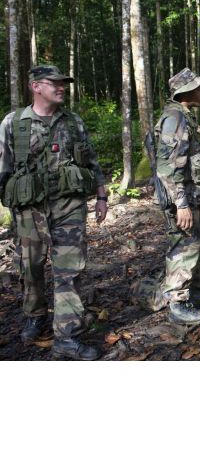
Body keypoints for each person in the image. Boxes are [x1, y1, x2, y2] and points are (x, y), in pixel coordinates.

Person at [0, 65, 107, 360]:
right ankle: (35, 314)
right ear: (36, 86)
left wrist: (101, 196)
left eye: (63, 83)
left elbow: (91, 161)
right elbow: (3, 167)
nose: (61, 87)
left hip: (69, 207)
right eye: (55, 83)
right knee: (30, 268)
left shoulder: (73, 122)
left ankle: (67, 337)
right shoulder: (14, 123)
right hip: (29, 210)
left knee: (69, 272)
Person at [131, 68, 200, 325]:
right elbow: (168, 168)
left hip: (189, 196)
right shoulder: (175, 119)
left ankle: (193, 294)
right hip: (182, 199)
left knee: (194, 244)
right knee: (184, 247)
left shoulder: (184, 117)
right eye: (198, 87)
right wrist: (181, 204)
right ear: (186, 93)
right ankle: (178, 304)